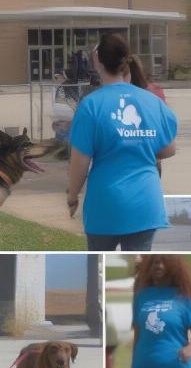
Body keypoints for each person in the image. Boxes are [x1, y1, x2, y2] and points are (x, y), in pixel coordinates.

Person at [67, 33, 177, 251]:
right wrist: (138, 144)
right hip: (146, 202)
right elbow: (169, 148)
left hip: (106, 204)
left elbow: (79, 162)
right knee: (137, 269)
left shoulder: (91, 105)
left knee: (100, 268)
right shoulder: (152, 101)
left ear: (97, 61)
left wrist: (72, 196)